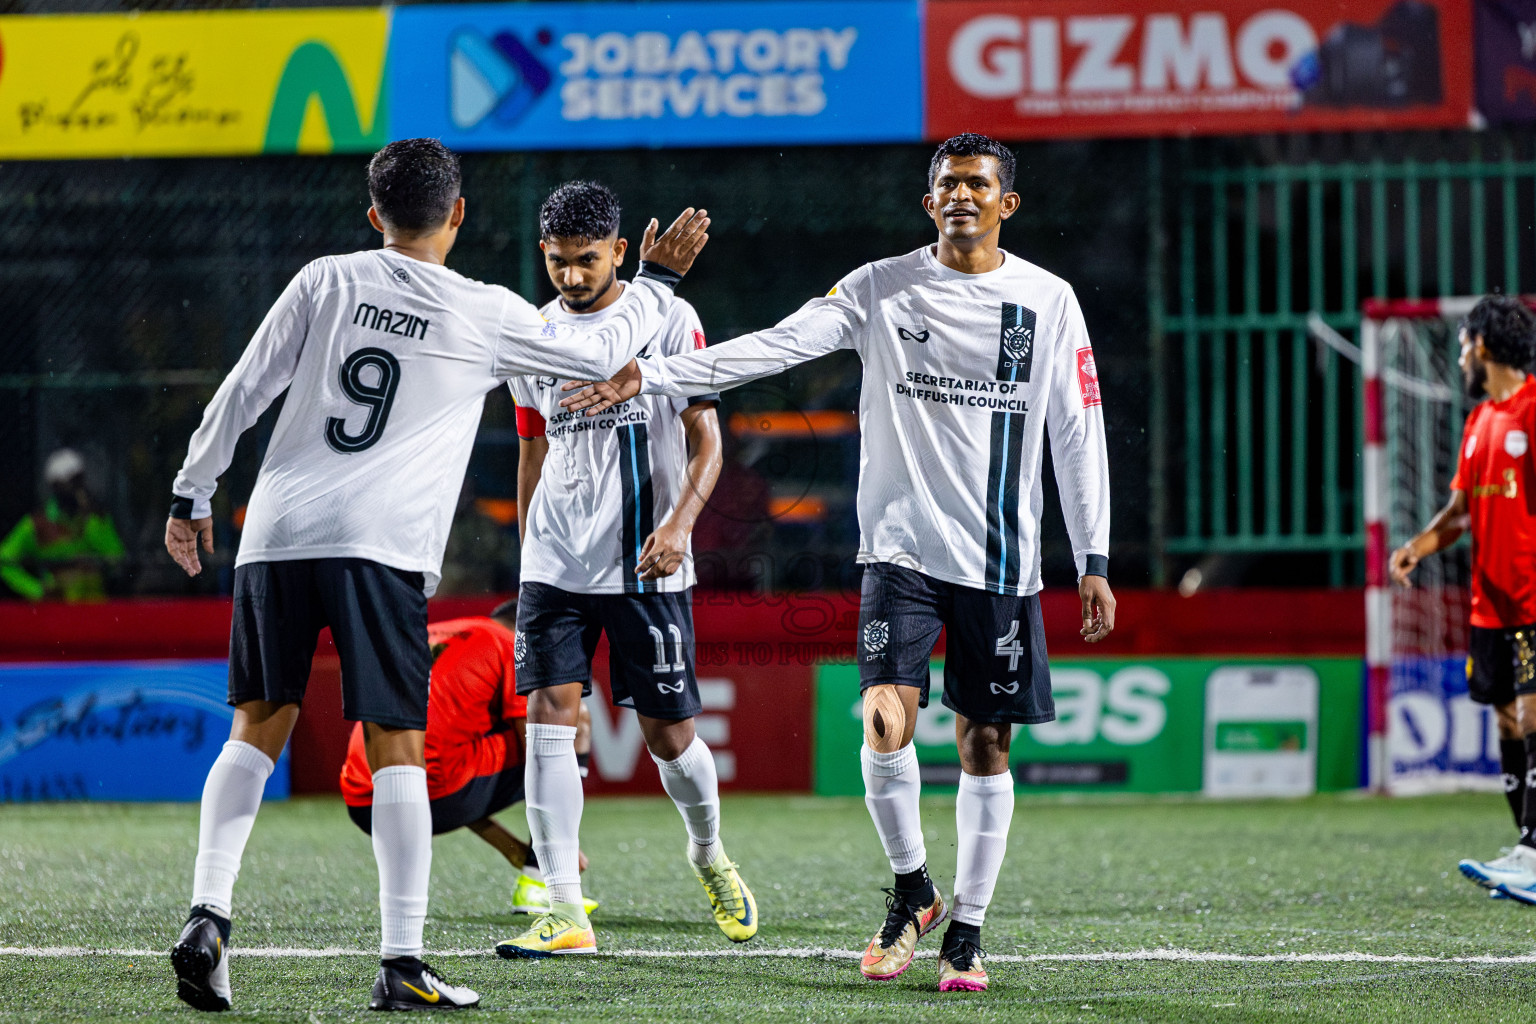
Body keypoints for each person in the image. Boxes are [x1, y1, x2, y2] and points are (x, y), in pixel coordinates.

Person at [162, 138, 709, 1012]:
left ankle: (207, 911)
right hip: (378, 543)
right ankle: (402, 961)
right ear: (458, 214)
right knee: (398, 749)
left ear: (373, 214)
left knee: (254, 729)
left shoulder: (323, 280)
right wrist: (659, 283)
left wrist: (192, 492)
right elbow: (604, 351)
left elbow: (241, 391)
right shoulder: (485, 309)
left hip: (276, 532)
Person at [561, 134, 1115, 992]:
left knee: (986, 743)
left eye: (978, 184)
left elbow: (1076, 433)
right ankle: (911, 889)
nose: (960, 195)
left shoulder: (1048, 301)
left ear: (1009, 203)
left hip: (1002, 559)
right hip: (900, 552)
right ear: (927, 202)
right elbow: (775, 346)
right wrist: (657, 377)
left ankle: (965, 928)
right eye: (946, 185)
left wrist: (1094, 556)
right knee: (885, 725)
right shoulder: (878, 287)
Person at [494, 180, 749, 960]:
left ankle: (709, 854)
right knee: (547, 717)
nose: (572, 277)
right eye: (560, 263)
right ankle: (565, 909)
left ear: (620, 250)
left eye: (587, 261)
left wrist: (679, 525)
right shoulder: (532, 332)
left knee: (671, 738)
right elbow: (532, 446)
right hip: (557, 567)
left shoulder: (670, 318)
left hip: (647, 564)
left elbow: (709, 442)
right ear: (544, 254)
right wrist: (529, 553)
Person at [1391, 295, 1536, 901]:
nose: (1456, 357)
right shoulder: (1480, 423)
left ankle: (1534, 851)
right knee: (1505, 717)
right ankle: (1525, 846)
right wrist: (1418, 547)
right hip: (1490, 605)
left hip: (1532, 602)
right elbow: (1460, 513)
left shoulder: (1533, 410)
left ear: (1482, 344)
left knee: (1533, 714)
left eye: (1461, 345)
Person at [339, 598, 599, 916]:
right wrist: (559, 839)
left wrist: (516, 851)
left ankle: (531, 867)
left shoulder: (437, 632)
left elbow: (441, 753)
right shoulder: (511, 645)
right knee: (569, 726)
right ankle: (542, 879)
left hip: (363, 798)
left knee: (452, 754)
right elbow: (539, 754)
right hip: (435, 792)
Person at [0, 448, 124, 602]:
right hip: (56, 611)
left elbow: (116, 560)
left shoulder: (95, 517)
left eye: (79, 481)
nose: (76, 489)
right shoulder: (37, 523)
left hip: (94, 608)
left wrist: (93, 523)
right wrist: (37, 590)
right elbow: (4, 561)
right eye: (70, 482)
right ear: (55, 486)